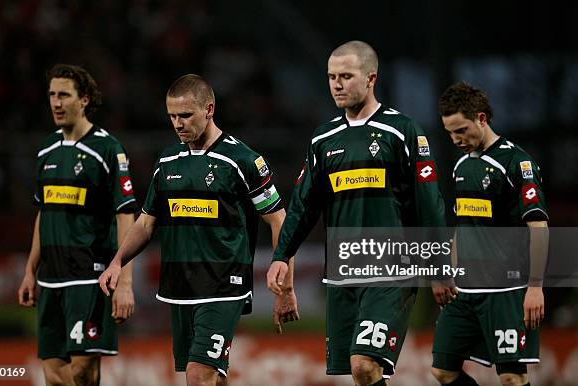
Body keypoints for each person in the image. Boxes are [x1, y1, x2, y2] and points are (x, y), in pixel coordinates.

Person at [267, 40, 449, 386]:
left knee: (364, 364)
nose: (337, 84)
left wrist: (439, 266)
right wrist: (281, 255)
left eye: (346, 76)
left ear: (370, 78)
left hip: (392, 268)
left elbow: (430, 204)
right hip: (344, 270)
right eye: (331, 76)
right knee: (362, 375)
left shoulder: (403, 131)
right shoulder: (324, 139)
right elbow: (304, 206)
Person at [98, 74, 299, 386]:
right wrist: (117, 261)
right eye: (172, 117)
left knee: (198, 376)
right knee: (211, 377)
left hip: (224, 285)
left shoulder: (242, 160)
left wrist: (286, 289)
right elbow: (146, 223)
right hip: (180, 288)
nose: (178, 124)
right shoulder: (167, 161)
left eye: (186, 115)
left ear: (209, 109)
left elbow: (279, 220)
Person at [17, 64, 138, 385]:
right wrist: (31, 270)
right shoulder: (46, 149)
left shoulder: (107, 149)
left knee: (83, 371)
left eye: (64, 95)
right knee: (54, 374)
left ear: (84, 100)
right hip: (51, 278)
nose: (56, 102)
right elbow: (43, 212)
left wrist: (125, 283)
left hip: (90, 276)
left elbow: (126, 215)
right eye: (52, 95)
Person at [430, 81, 548, 386]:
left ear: (481, 118)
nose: (455, 139)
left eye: (461, 130)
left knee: (511, 377)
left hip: (506, 291)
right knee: (443, 370)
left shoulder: (516, 163)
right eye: (450, 132)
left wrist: (535, 288)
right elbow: (462, 227)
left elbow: (538, 227)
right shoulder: (460, 167)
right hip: (466, 290)